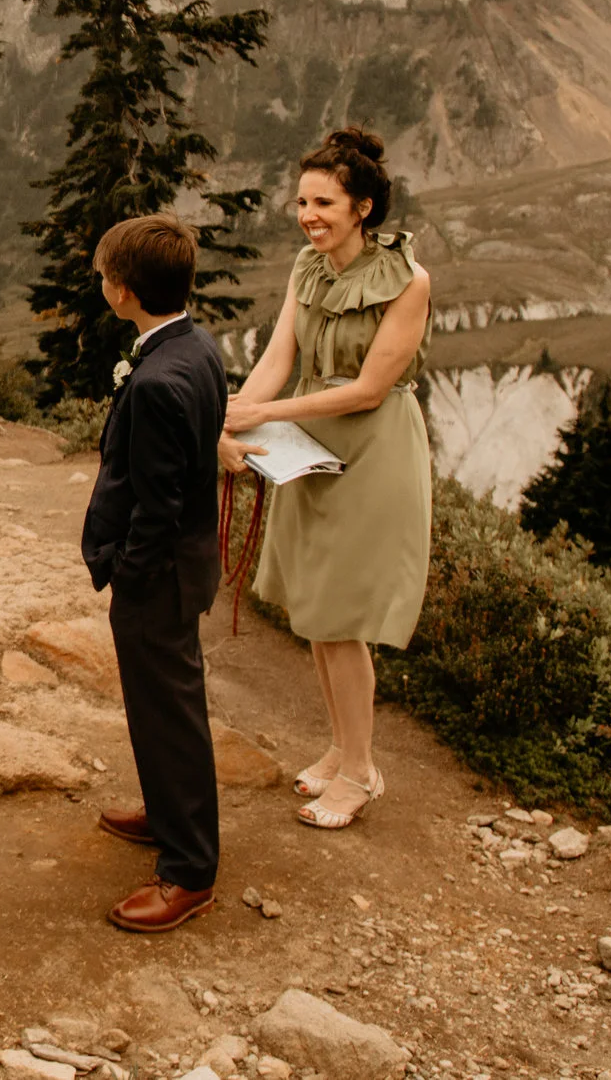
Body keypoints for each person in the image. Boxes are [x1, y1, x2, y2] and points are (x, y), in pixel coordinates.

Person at [227, 127, 434, 831]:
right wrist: (237, 415)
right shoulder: (306, 268)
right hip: (310, 441)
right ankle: (344, 749)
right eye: (302, 201)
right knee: (317, 609)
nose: (308, 214)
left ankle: (360, 770)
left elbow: (372, 388)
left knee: (342, 618)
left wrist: (266, 412)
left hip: (373, 451)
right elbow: (278, 357)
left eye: (323, 202)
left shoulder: (408, 281)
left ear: (363, 207)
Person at [81, 215, 231, 933]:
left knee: (169, 708)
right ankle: (168, 808)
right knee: (162, 702)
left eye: (106, 274)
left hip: (159, 575)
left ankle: (189, 869)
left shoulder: (158, 381)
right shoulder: (194, 344)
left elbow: (158, 502)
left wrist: (124, 568)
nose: (102, 282)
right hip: (186, 563)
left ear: (126, 291)